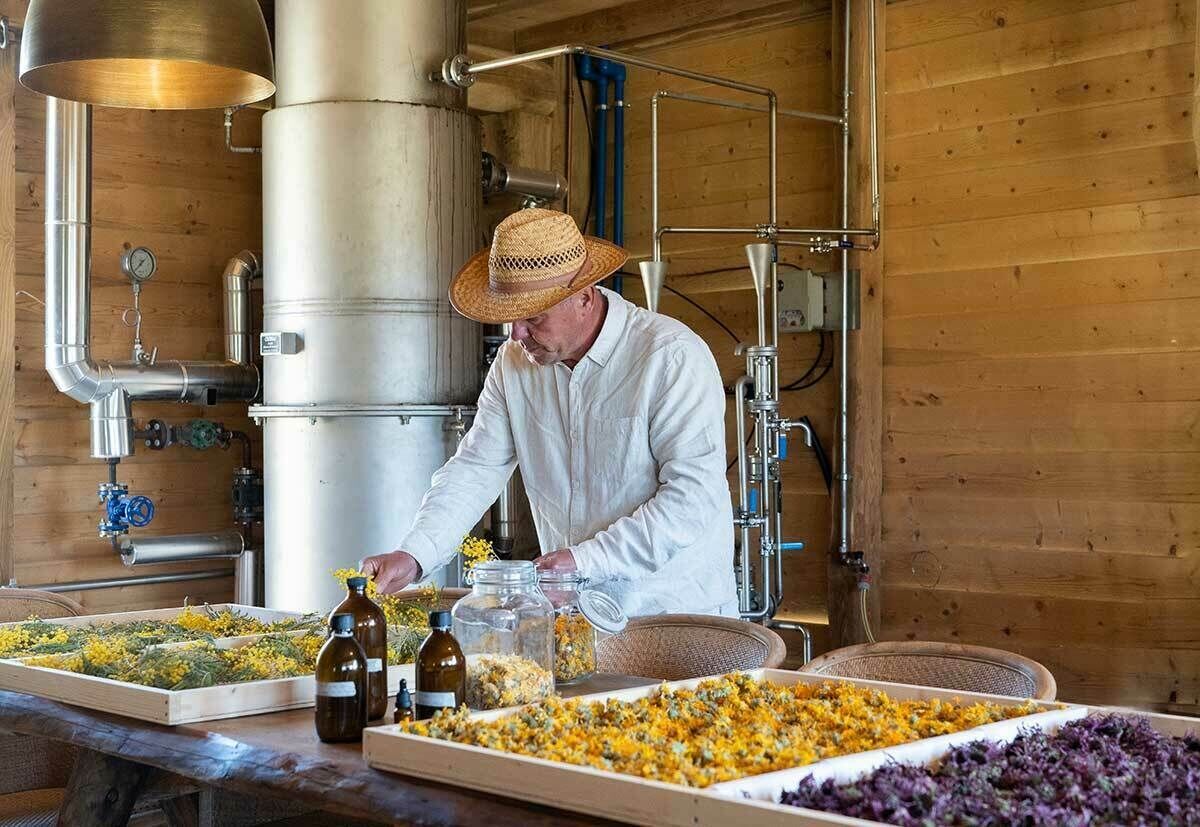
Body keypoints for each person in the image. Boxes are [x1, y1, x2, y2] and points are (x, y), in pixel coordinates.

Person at [360, 208, 736, 617]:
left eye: (533, 317)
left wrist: (584, 561)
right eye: (510, 319)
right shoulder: (514, 364)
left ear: (585, 297)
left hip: (676, 619)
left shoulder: (670, 357)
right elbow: (475, 469)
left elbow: (690, 500)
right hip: (576, 619)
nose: (516, 334)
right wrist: (414, 554)